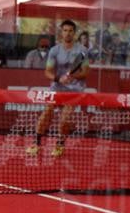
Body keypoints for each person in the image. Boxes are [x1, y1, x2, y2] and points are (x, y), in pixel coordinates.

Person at [26, 18, 90, 159]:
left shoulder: (82, 50)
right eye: (65, 30)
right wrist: (58, 78)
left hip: (74, 90)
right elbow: (48, 71)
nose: (67, 33)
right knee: (46, 114)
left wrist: (73, 76)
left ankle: (60, 145)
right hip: (57, 88)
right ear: (61, 33)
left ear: (75, 33)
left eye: (70, 31)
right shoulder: (54, 50)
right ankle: (36, 144)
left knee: (65, 120)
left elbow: (85, 72)